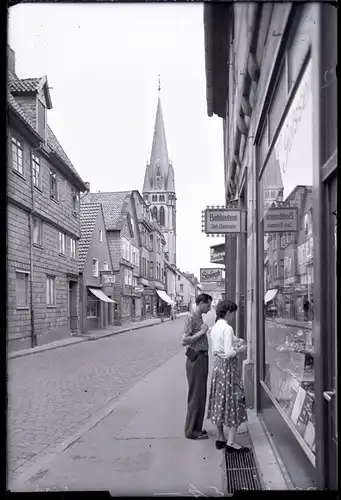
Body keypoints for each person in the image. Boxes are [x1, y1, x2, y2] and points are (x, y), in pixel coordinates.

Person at [207, 299, 248, 452]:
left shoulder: (215, 327)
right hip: (229, 368)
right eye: (233, 313)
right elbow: (230, 352)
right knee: (234, 400)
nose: (234, 316)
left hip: (218, 367)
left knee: (219, 399)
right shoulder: (227, 328)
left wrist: (234, 342)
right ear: (229, 312)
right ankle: (231, 442)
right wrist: (241, 349)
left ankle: (220, 437)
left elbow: (216, 350)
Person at [182, 293, 212, 440]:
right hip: (196, 359)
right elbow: (184, 340)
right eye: (208, 304)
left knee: (200, 395)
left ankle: (197, 428)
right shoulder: (190, 318)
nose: (210, 307)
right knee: (195, 395)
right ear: (200, 303)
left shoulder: (199, 317)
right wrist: (202, 332)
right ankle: (191, 431)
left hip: (202, 358)